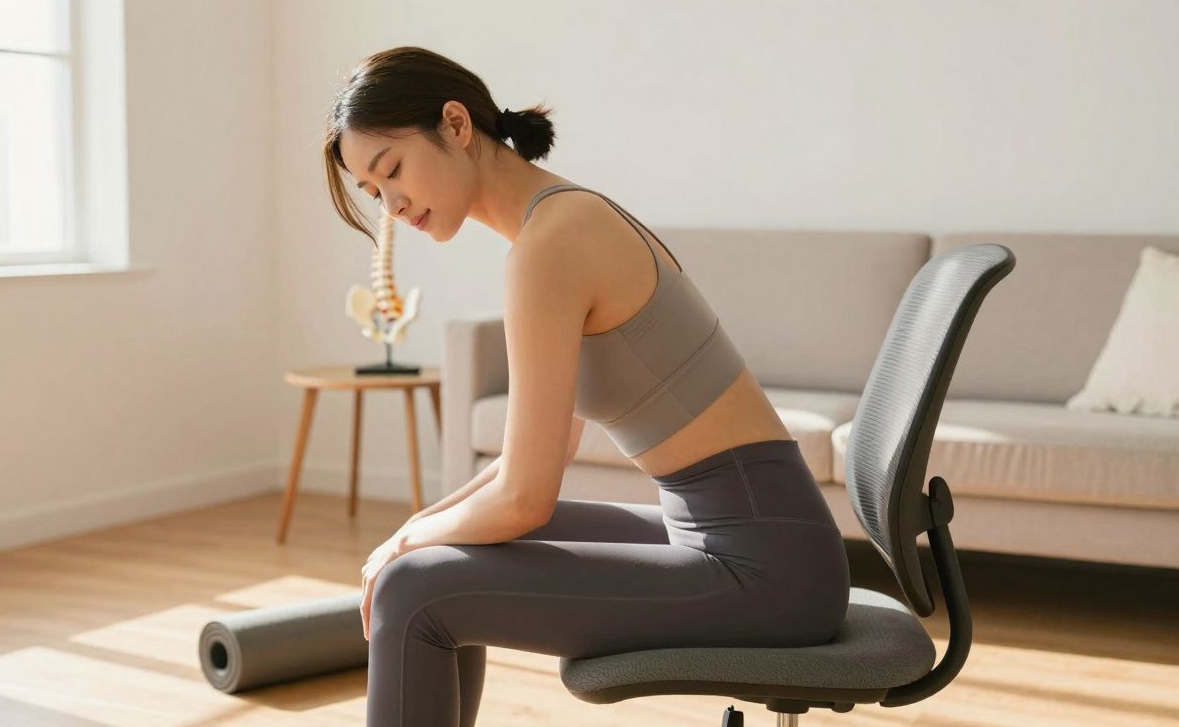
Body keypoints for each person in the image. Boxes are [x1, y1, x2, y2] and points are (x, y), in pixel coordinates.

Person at [322, 45, 849, 727]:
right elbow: (537, 460)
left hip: (769, 571)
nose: (392, 207)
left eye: (391, 171)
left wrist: (400, 548)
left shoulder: (552, 246)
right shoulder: (564, 220)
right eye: (372, 192)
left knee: (416, 588)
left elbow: (525, 500)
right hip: (753, 537)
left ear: (456, 125)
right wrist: (419, 526)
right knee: (436, 553)